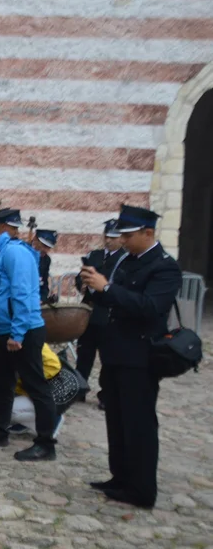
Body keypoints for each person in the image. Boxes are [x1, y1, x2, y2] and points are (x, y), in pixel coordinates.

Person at [80, 205, 182, 509]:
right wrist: (93, 285)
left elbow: (149, 306)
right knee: (117, 420)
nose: (122, 241)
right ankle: (120, 477)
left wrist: (107, 287)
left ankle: (141, 488)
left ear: (147, 233)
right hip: (115, 353)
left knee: (138, 423)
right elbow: (112, 298)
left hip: (140, 357)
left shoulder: (164, 267)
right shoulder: (128, 262)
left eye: (128, 235)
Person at [0, 210, 56, 461]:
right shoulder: (1, 256)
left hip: (22, 334)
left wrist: (18, 334)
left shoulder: (14, 253)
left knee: (36, 386)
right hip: (5, 334)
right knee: (3, 384)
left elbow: (23, 295)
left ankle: (46, 443)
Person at [0, 337, 68, 438]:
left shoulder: (29, 345)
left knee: (7, 409)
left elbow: (47, 373)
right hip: (27, 387)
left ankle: (51, 419)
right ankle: (25, 422)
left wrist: (16, 382)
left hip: (47, 390)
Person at [74, 219, 125, 403]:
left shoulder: (124, 259)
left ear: (121, 238)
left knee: (107, 357)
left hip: (107, 313)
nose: (109, 241)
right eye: (107, 236)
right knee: (84, 354)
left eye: (113, 237)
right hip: (89, 311)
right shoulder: (94, 255)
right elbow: (81, 276)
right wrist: (82, 284)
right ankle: (79, 389)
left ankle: (106, 395)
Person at [32, 229, 58, 303]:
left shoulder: (46, 259)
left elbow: (44, 283)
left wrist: (42, 299)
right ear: (35, 239)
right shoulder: (24, 254)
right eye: (44, 245)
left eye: (49, 247)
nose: (46, 250)